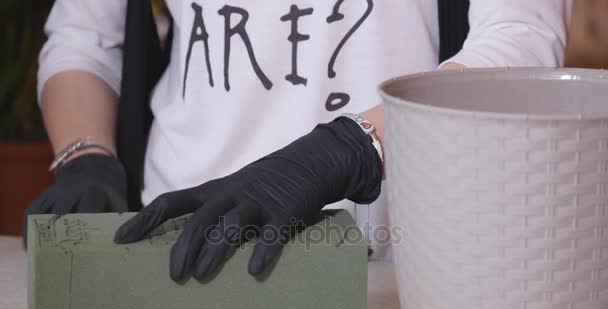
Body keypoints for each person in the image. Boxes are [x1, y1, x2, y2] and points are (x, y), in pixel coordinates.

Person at [27, 0, 570, 281]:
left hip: (391, 256)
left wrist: (353, 148)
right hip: (178, 245)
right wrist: (86, 156)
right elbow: (85, 36)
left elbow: (521, 40)